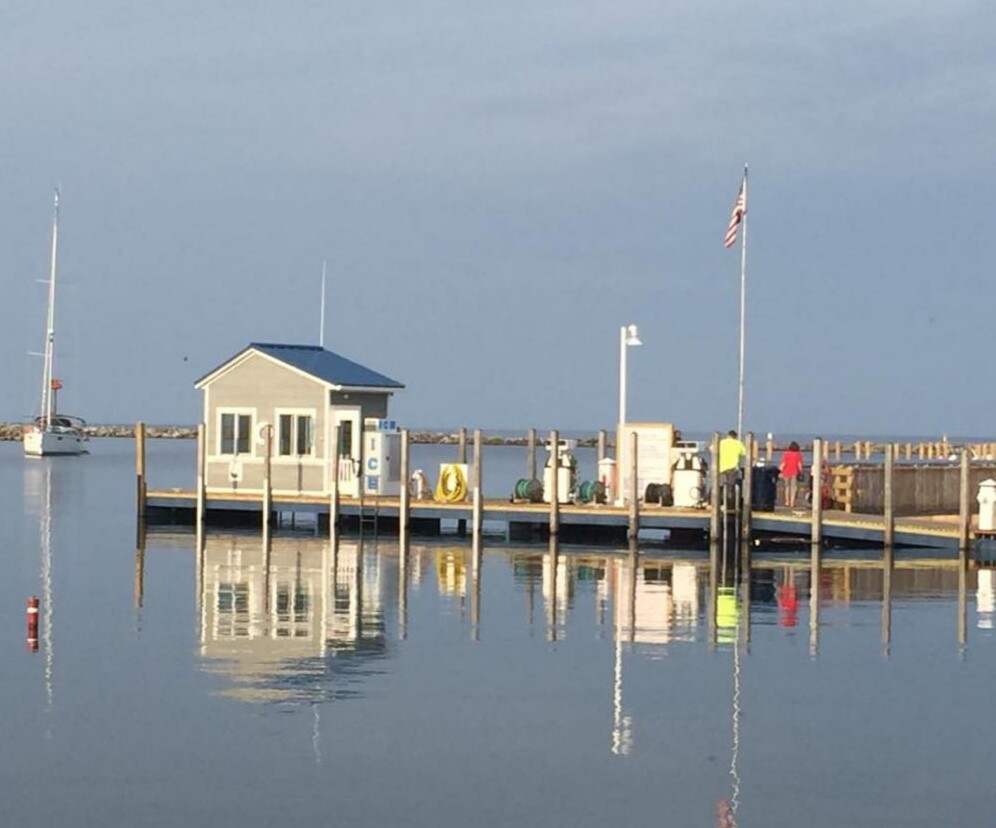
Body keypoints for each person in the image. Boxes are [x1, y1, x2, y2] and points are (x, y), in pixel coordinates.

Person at [778, 440, 805, 508]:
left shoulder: (786, 454)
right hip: (794, 473)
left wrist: (779, 471)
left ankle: (787, 502)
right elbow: (799, 465)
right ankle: (792, 503)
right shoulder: (798, 454)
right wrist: (801, 472)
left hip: (786, 472)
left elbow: (783, 464)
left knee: (787, 487)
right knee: (793, 488)